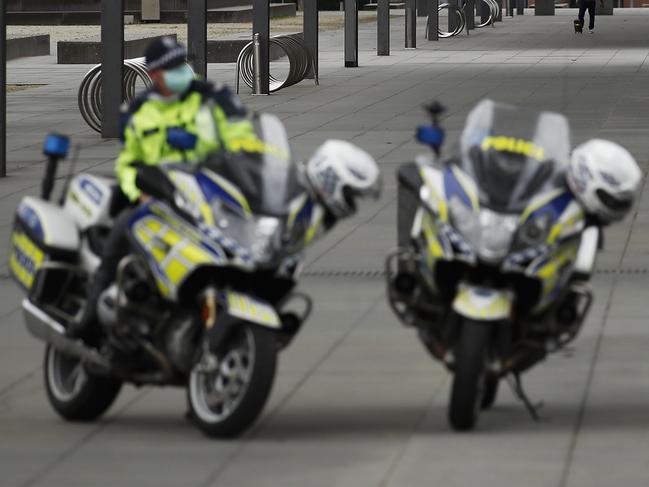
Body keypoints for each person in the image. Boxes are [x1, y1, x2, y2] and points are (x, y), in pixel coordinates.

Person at [67, 37, 258, 338]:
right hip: (155, 196)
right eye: (172, 67)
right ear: (155, 74)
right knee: (120, 238)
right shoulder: (139, 110)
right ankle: (89, 317)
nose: (181, 71)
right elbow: (128, 163)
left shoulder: (212, 98)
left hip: (204, 191)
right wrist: (138, 193)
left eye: (182, 63)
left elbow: (241, 138)